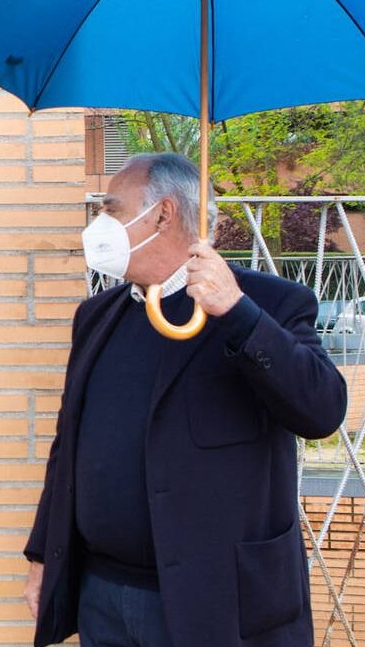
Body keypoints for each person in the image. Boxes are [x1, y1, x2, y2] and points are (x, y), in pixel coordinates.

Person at [24, 153, 347, 647]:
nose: (100, 223)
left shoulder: (269, 304)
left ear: (163, 214)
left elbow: (321, 410)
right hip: (103, 595)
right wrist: (44, 557)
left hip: (216, 603)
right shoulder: (97, 316)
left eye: (111, 208)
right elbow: (66, 447)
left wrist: (237, 312)